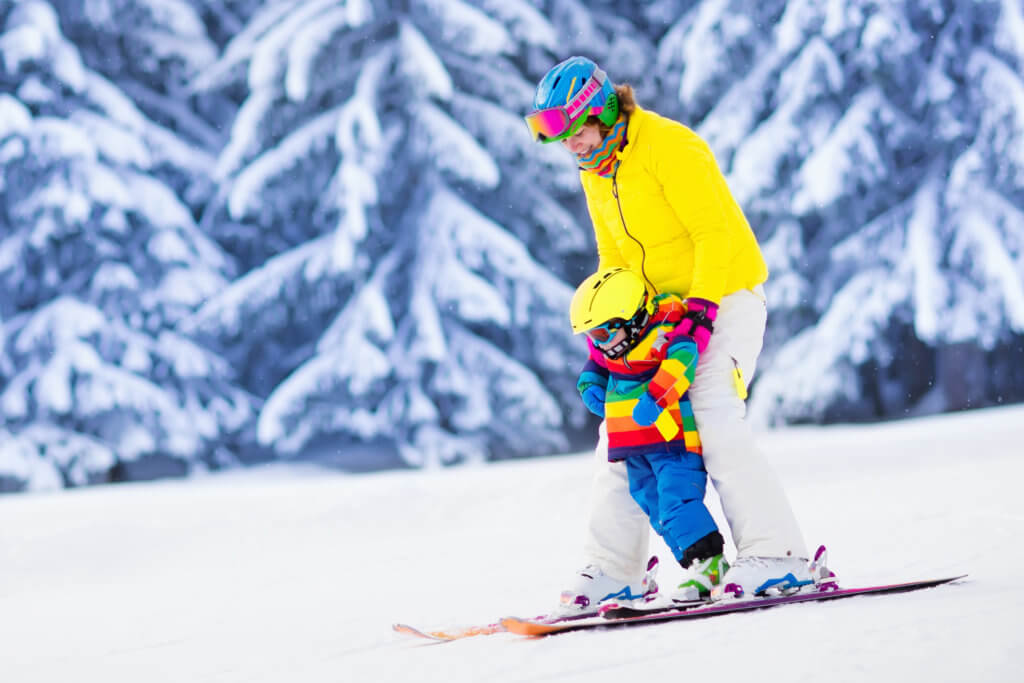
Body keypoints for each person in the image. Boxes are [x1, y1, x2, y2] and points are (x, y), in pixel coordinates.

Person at [525, 55, 815, 608]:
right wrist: (610, 336)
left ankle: (779, 556)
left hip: (725, 298)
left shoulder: (669, 145)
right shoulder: (596, 170)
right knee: (621, 431)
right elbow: (613, 256)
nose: (570, 146)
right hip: (655, 319)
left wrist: (702, 311)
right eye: (554, 135)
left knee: (711, 412)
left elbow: (713, 234)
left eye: (573, 128)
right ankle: (615, 569)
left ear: (603, 111)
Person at [565, 267, 730, 611]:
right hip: (634, 447)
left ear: (630, 318)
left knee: (676, 504)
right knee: (655, 508)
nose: (596, 343)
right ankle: (695, 566)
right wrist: (589, 386)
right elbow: (593, 367)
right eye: (590, 336)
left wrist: (656, 397)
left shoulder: (664, 334)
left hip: (671, 443)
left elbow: (683, 361)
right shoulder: (611, 348)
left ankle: (711, 564)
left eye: (600, 333)